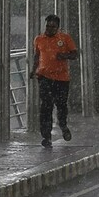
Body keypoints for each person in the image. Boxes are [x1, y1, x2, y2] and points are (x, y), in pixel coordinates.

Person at [29, 14, 79, 148]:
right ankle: (46, 136)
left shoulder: (65, 38)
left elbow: (75, 54)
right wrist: (33, 70)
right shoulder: (39, 39)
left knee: (61, 105)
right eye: (48, 26)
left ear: (58, 27)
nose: (50, 29)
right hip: (44, 77)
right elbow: (37, 56)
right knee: (46, 106)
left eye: (53, 27)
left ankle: (63, 125)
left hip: (61, 78)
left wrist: (64, 55)